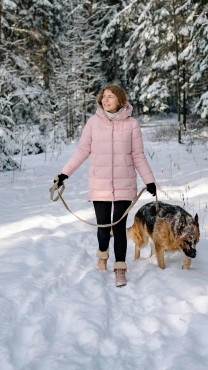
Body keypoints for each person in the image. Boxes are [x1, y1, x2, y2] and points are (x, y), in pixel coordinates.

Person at [54, 84, 156, 287]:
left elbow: (138, 155)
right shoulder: (93, 123)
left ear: (120, 100)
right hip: (99, 183)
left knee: (118, 227)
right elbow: (82, 151)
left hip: (124, 184)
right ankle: (102, 257)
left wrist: (149, 180)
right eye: (103, 97)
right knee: (103, 226)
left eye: (110, 97)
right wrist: (64, 174)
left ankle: (120, 268)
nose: (105, 100)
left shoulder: (132, 124)